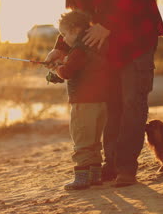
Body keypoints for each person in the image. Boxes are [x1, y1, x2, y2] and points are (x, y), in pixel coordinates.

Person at [45, 0, 163, 187]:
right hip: (104, 49)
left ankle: (125, 168)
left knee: (132, 100)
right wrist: (61, 47)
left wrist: (107, 25)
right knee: (112, 104)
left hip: (136, 40)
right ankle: (110, 166)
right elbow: (75, 19)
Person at [49, 10, 112, 190]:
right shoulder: (98, 44)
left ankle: (82, 178)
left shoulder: (79, 50)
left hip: (84, 103)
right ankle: (95, 176)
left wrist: (57, 68)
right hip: (102, 102)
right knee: (94, 141)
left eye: (64, 34)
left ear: (76, 30)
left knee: (82, 141)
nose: (63, 39)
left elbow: (67, 72)